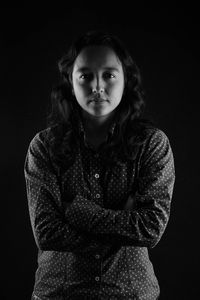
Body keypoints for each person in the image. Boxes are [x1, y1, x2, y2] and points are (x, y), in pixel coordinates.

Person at [24, 30, 175, 300]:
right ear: (71, 82)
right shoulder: (44, 147)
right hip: (59, 294)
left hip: (131, 294)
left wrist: (79, 212)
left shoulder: (151, 144)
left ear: (125, 79)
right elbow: (46, 232)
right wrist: (123, 225)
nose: (97, 86)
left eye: (109, 74)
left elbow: (150, 228)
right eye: (85, 75)